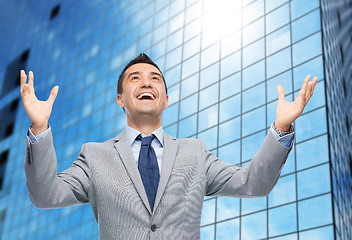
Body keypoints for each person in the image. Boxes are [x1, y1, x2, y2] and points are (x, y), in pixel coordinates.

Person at [21, 53, 317, 240]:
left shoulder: (195, 153)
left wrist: (281, 128)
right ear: (120, 99)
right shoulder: (94, 156)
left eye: (155, 79)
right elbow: (46, 195)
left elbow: (253, 184)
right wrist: (39, 129)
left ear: (166, 98)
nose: (146, 83)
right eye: (134, 79)